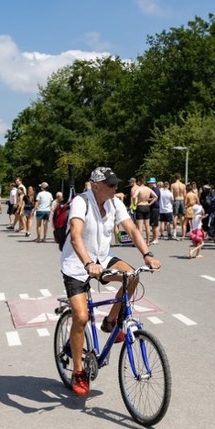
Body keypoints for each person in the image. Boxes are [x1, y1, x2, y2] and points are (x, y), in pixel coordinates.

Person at [61, 167, 160, 396]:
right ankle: (78, 372)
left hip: (102, 259)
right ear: (96, 185)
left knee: (132, 276)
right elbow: (75, 236)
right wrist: (87, 264)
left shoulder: (115, 203)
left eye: (117, 184)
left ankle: (112, 321)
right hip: (77, 265)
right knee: (81, 316)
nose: (116, 188)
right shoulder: (80, 202)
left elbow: (132, 230)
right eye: (111, 185)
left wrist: (148, 254)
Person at [170, 174, 186, 240]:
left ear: (175, 178)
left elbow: (171, 195)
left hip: (176, 199)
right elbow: (185, 194)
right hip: (182, 199)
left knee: (175, 216)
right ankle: (183, 233)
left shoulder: (173, 185)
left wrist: (172, 203)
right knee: (182, 216)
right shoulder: (183, 185)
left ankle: (174, 233)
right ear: (180, 178)